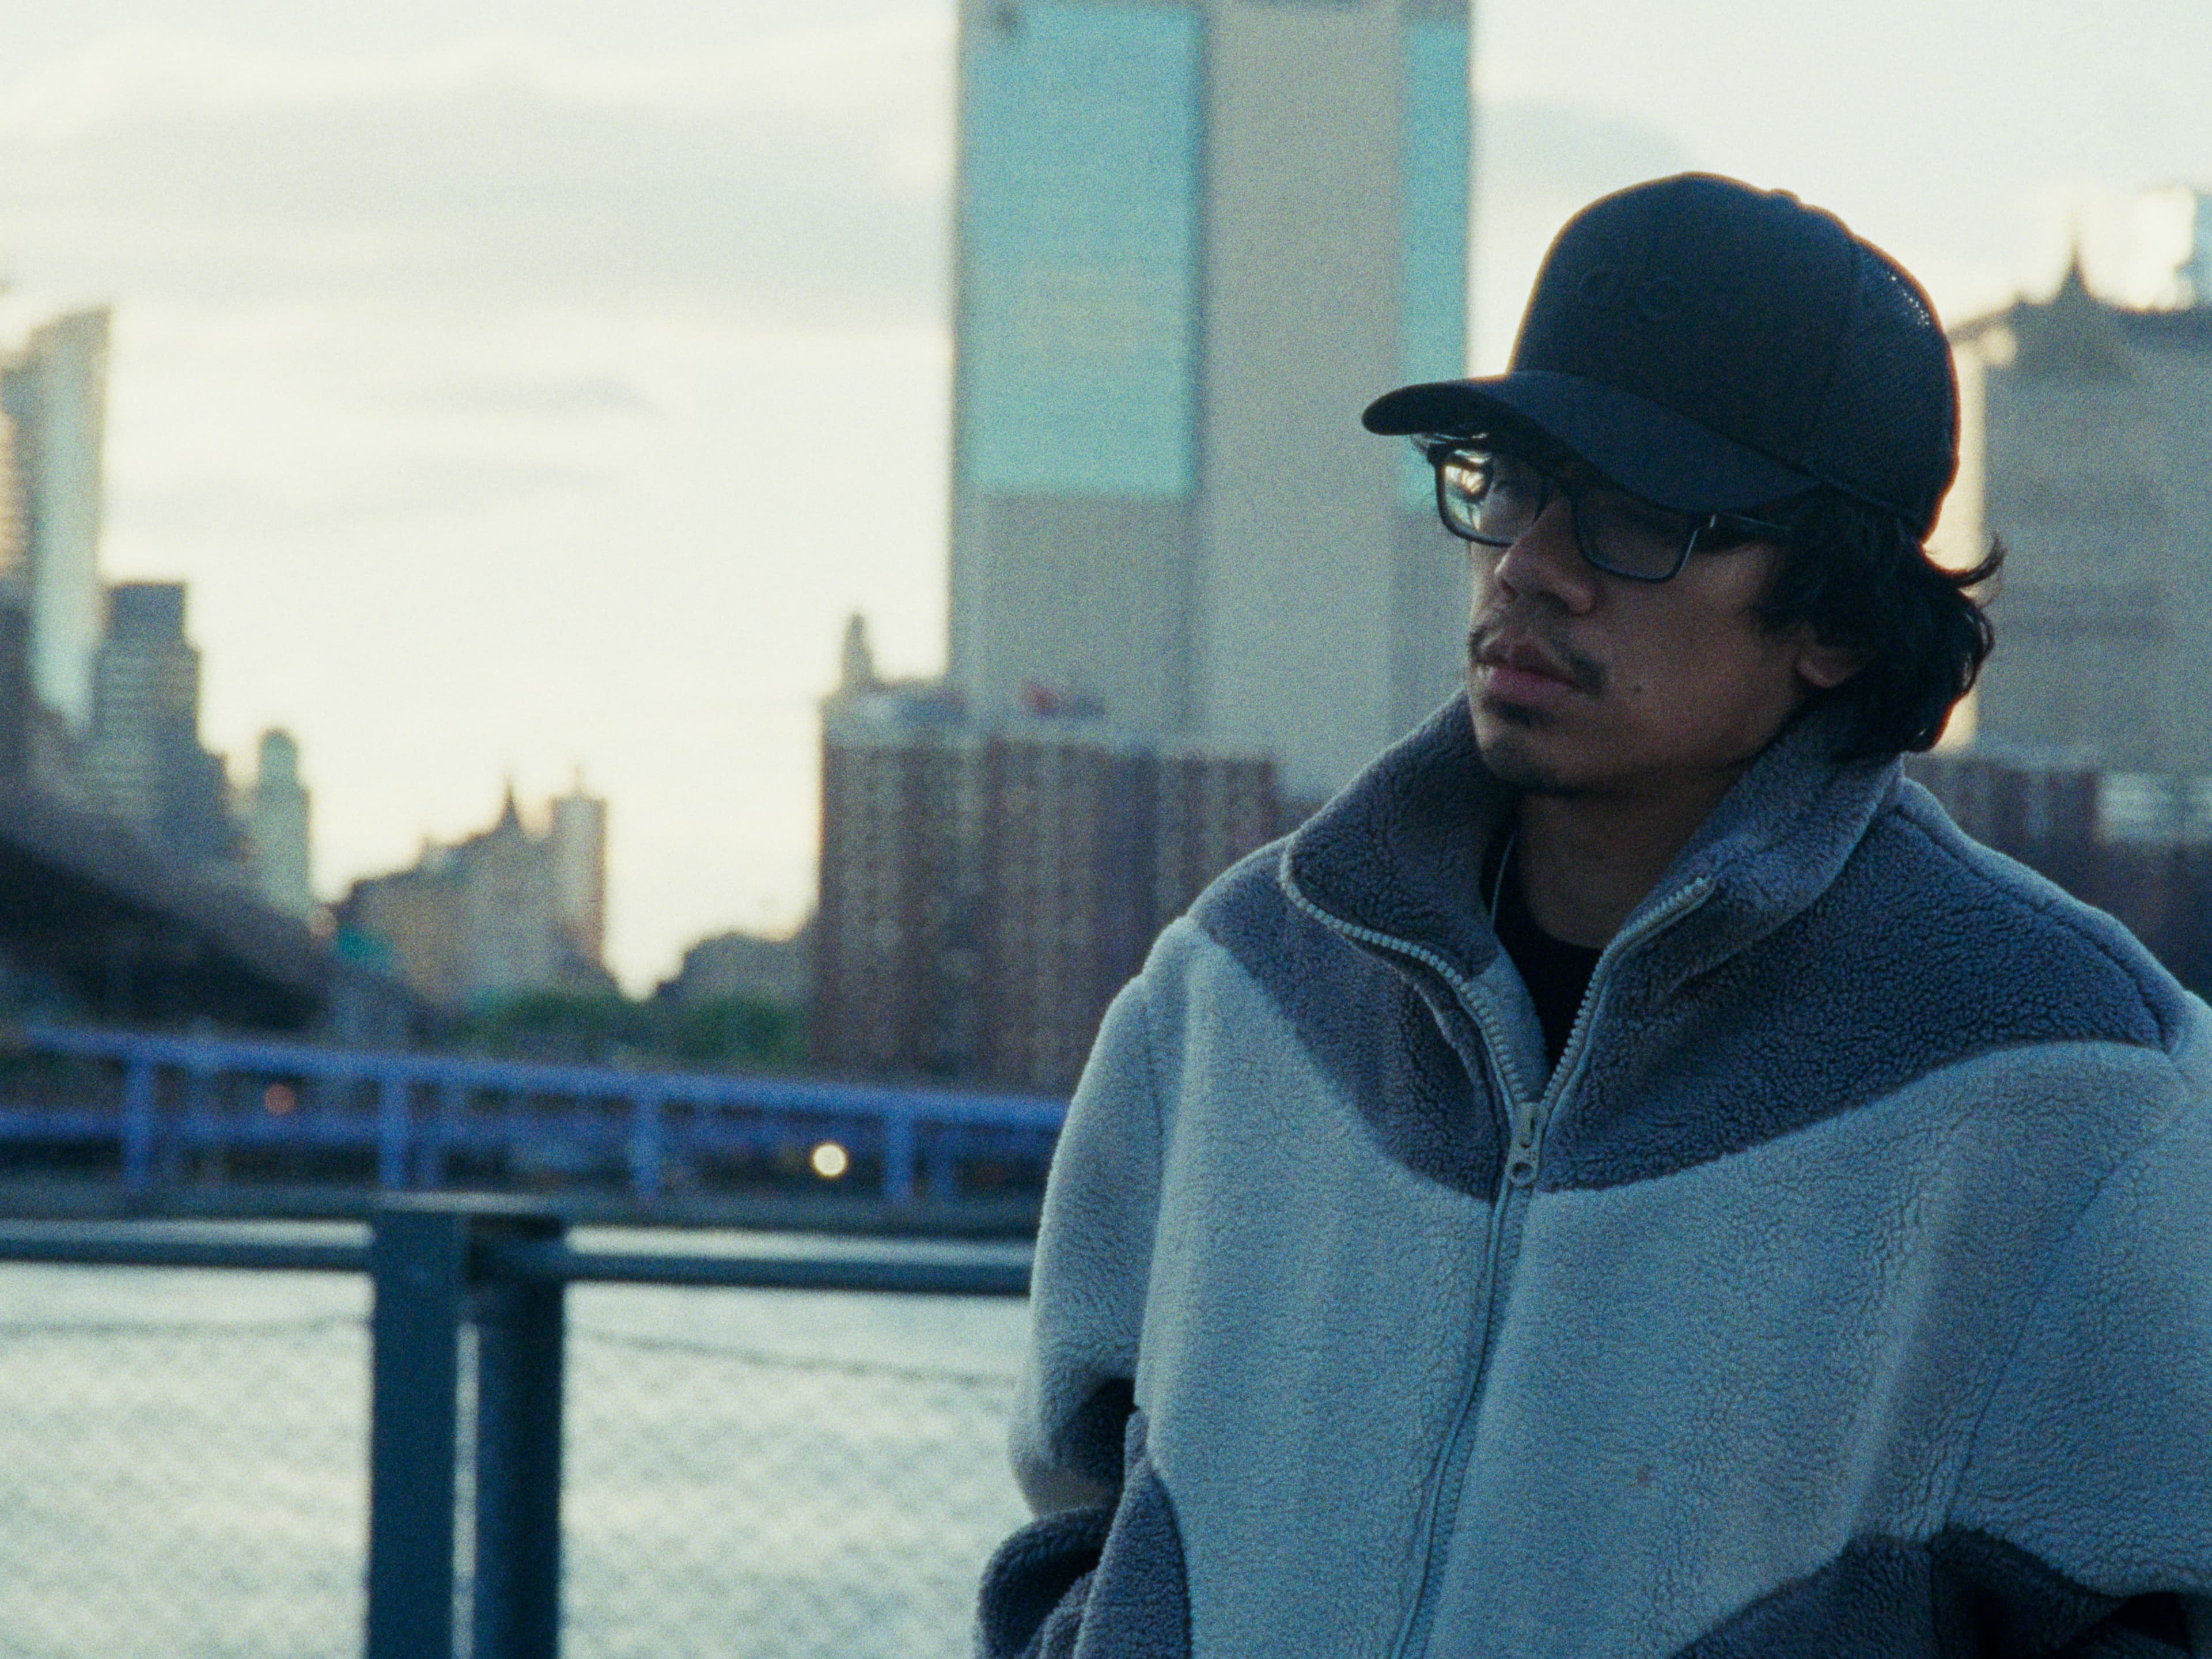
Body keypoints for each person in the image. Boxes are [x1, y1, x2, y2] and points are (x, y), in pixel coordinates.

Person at [975, 173, 2212, 1658]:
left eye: (1637, 516)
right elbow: (1080, 1513)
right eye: (1510, 483)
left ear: (1833, 619)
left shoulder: (2077, 1088)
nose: (1531, 566)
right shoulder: (1239, 989)